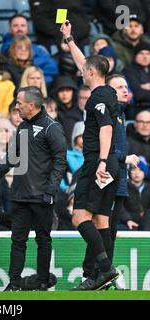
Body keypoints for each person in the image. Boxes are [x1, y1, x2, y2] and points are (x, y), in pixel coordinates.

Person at [0, 86, 67, 291]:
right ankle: (14, 283)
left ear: (31, 105)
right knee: (18, 241)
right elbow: (10, 160)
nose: (16, 107)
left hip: (42, 196)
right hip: (20, 195)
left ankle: (42, 282)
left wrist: (50, 190)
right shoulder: (22, 128)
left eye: (19, 103)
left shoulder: (52, 127)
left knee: (43, 239)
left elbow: (60, 161)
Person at [60, 20, 120, 290]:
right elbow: (85, 62)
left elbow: (106, 128)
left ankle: (105, 271)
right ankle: (101, 277)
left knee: (78, 217)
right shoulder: (108, 91)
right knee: (101, 221)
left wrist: (101, 162)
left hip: (99, 162)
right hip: (112, 163)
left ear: (92, 72)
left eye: (85, 71)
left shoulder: (96, 99)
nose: (81, 73)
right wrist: (69, 39)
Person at [80, 74, 140, 289]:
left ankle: (104, 276)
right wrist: (124, 158)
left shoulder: (121, 114)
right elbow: (104, 146)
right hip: (105, 175)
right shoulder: (106, 113)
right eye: (119, 87)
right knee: (97, 225)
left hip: (119, 182)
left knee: (109, 232)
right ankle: (90, 274)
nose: (125, 90)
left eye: (126, 86)